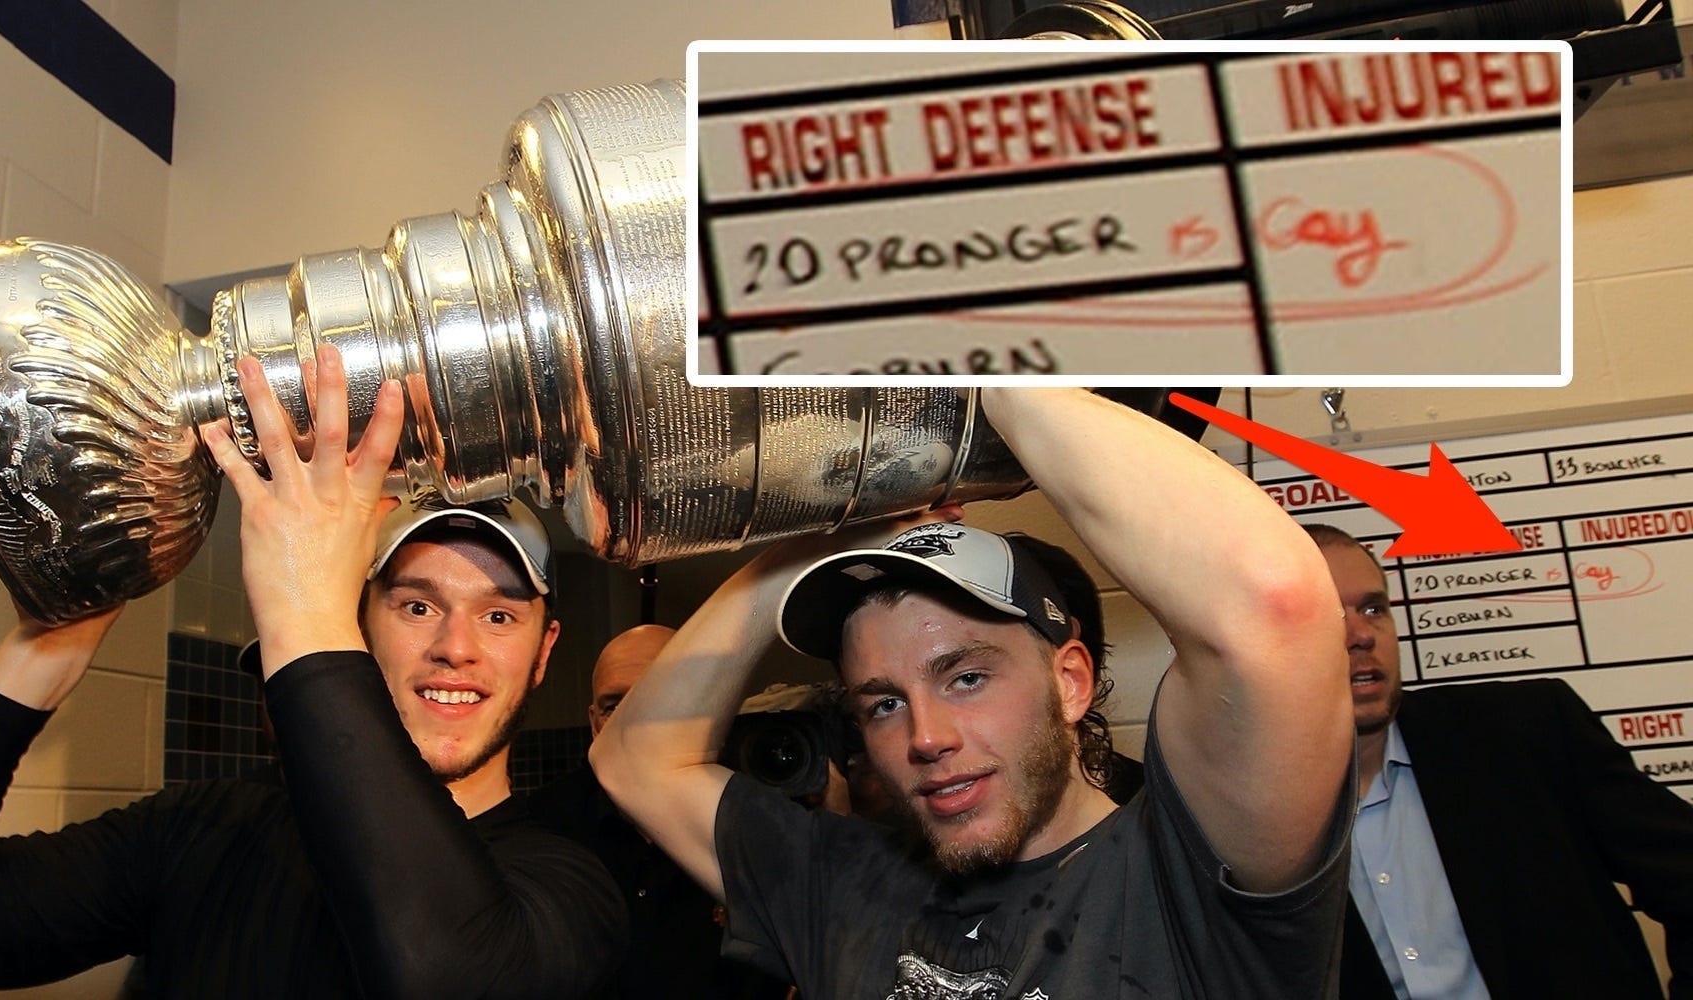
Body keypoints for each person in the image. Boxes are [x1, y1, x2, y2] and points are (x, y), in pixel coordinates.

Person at [0, 348, 624, 997]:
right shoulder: (203, 831)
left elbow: (443, 972)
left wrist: (301, 611)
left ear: (545, 654)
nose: (457, 647)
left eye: (502, 615)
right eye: (414, 606)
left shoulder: (567, 878)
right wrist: (43, 651)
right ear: (360, 628)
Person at [593, 388, 1358, 998]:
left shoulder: (1186, 880)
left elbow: (1274, 605)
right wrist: (802, 554)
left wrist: (981, 375)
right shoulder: (842, 885)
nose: (926, 736)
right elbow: (634, 758)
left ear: (1069, 682)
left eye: (965, 677)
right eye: (884, 702)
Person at [1304, 523, 1693, 1000]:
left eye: (1372, 608)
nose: (1361, 634)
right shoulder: (1236, 816)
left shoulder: (1530, 732)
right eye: (1326, 614)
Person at [531, 625, 789, 1000]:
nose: (630, 723)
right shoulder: (545, 828)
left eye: (655, 698)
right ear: (593, 722)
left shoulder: (756, 827)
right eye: (613, 706)